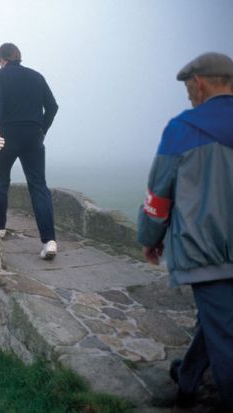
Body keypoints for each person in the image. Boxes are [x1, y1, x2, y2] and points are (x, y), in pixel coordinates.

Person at [137, 52, 233, 411]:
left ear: (201, 84)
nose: (189, 98)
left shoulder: (183, 129)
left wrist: (150, 239)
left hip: (206, 253)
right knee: (218, 321)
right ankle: (188, 379)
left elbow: (159, 195)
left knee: (225, 338)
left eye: (189, 91)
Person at [0, 42, 58, 260]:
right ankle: (49, 241)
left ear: (2, 60)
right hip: (33, 136)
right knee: (38, 185)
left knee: (0, 180)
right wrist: (41, 129)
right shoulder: (37, 76)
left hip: (7, 135)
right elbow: (53, 106)